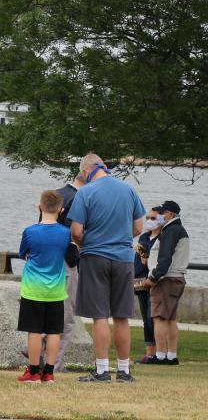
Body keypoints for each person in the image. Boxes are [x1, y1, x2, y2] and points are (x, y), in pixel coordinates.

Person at [67, 153, 145, 383]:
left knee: (99, 315)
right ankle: (124, 371)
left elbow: (76, 231)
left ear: (86, 169)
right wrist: (120, 237)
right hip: (123, 258)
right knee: (122, 315)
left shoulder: (85, 192)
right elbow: (139, 227)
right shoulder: (128, 190)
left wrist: (85, 245)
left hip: (95, 257)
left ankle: (101, 370)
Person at [17, 190, 71, 384]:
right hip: (56, 290)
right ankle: (49, 372)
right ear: (61, 209)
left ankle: (32, 372)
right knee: (54, 331)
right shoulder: (66, 233)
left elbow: (23, 253)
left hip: (33, 289)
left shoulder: (30, 231)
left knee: (34, 331)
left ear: (39, 207)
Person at [142, 200, 190, 365]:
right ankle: (171, 355)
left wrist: (154, 277)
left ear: (170, 214)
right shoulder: (178, 230)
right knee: (170, 318)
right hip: (176, 277)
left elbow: (165, 257)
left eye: (162, 213)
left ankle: (161, 355)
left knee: (159, 317)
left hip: (165, 279)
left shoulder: (170, 231)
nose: (159, 216)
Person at [50, 171, 86, 370]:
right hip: (67, 260)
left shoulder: (56, 194)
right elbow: (74, 233)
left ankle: (37, 350)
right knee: (67, 316)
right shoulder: (79, 199)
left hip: (47, 261)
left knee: (51, 310)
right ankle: (55, 363)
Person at [133, 209, 161, 364]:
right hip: (140, 281)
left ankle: (160, 352)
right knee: (146, 318)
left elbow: (152, 259)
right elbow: (139, 256)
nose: (149, 220)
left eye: (153, 218)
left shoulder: (162, 238)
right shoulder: (144, 236)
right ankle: (149, 353)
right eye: (148, 217)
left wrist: (145, 257)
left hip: (154, 281)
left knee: (153, 318)